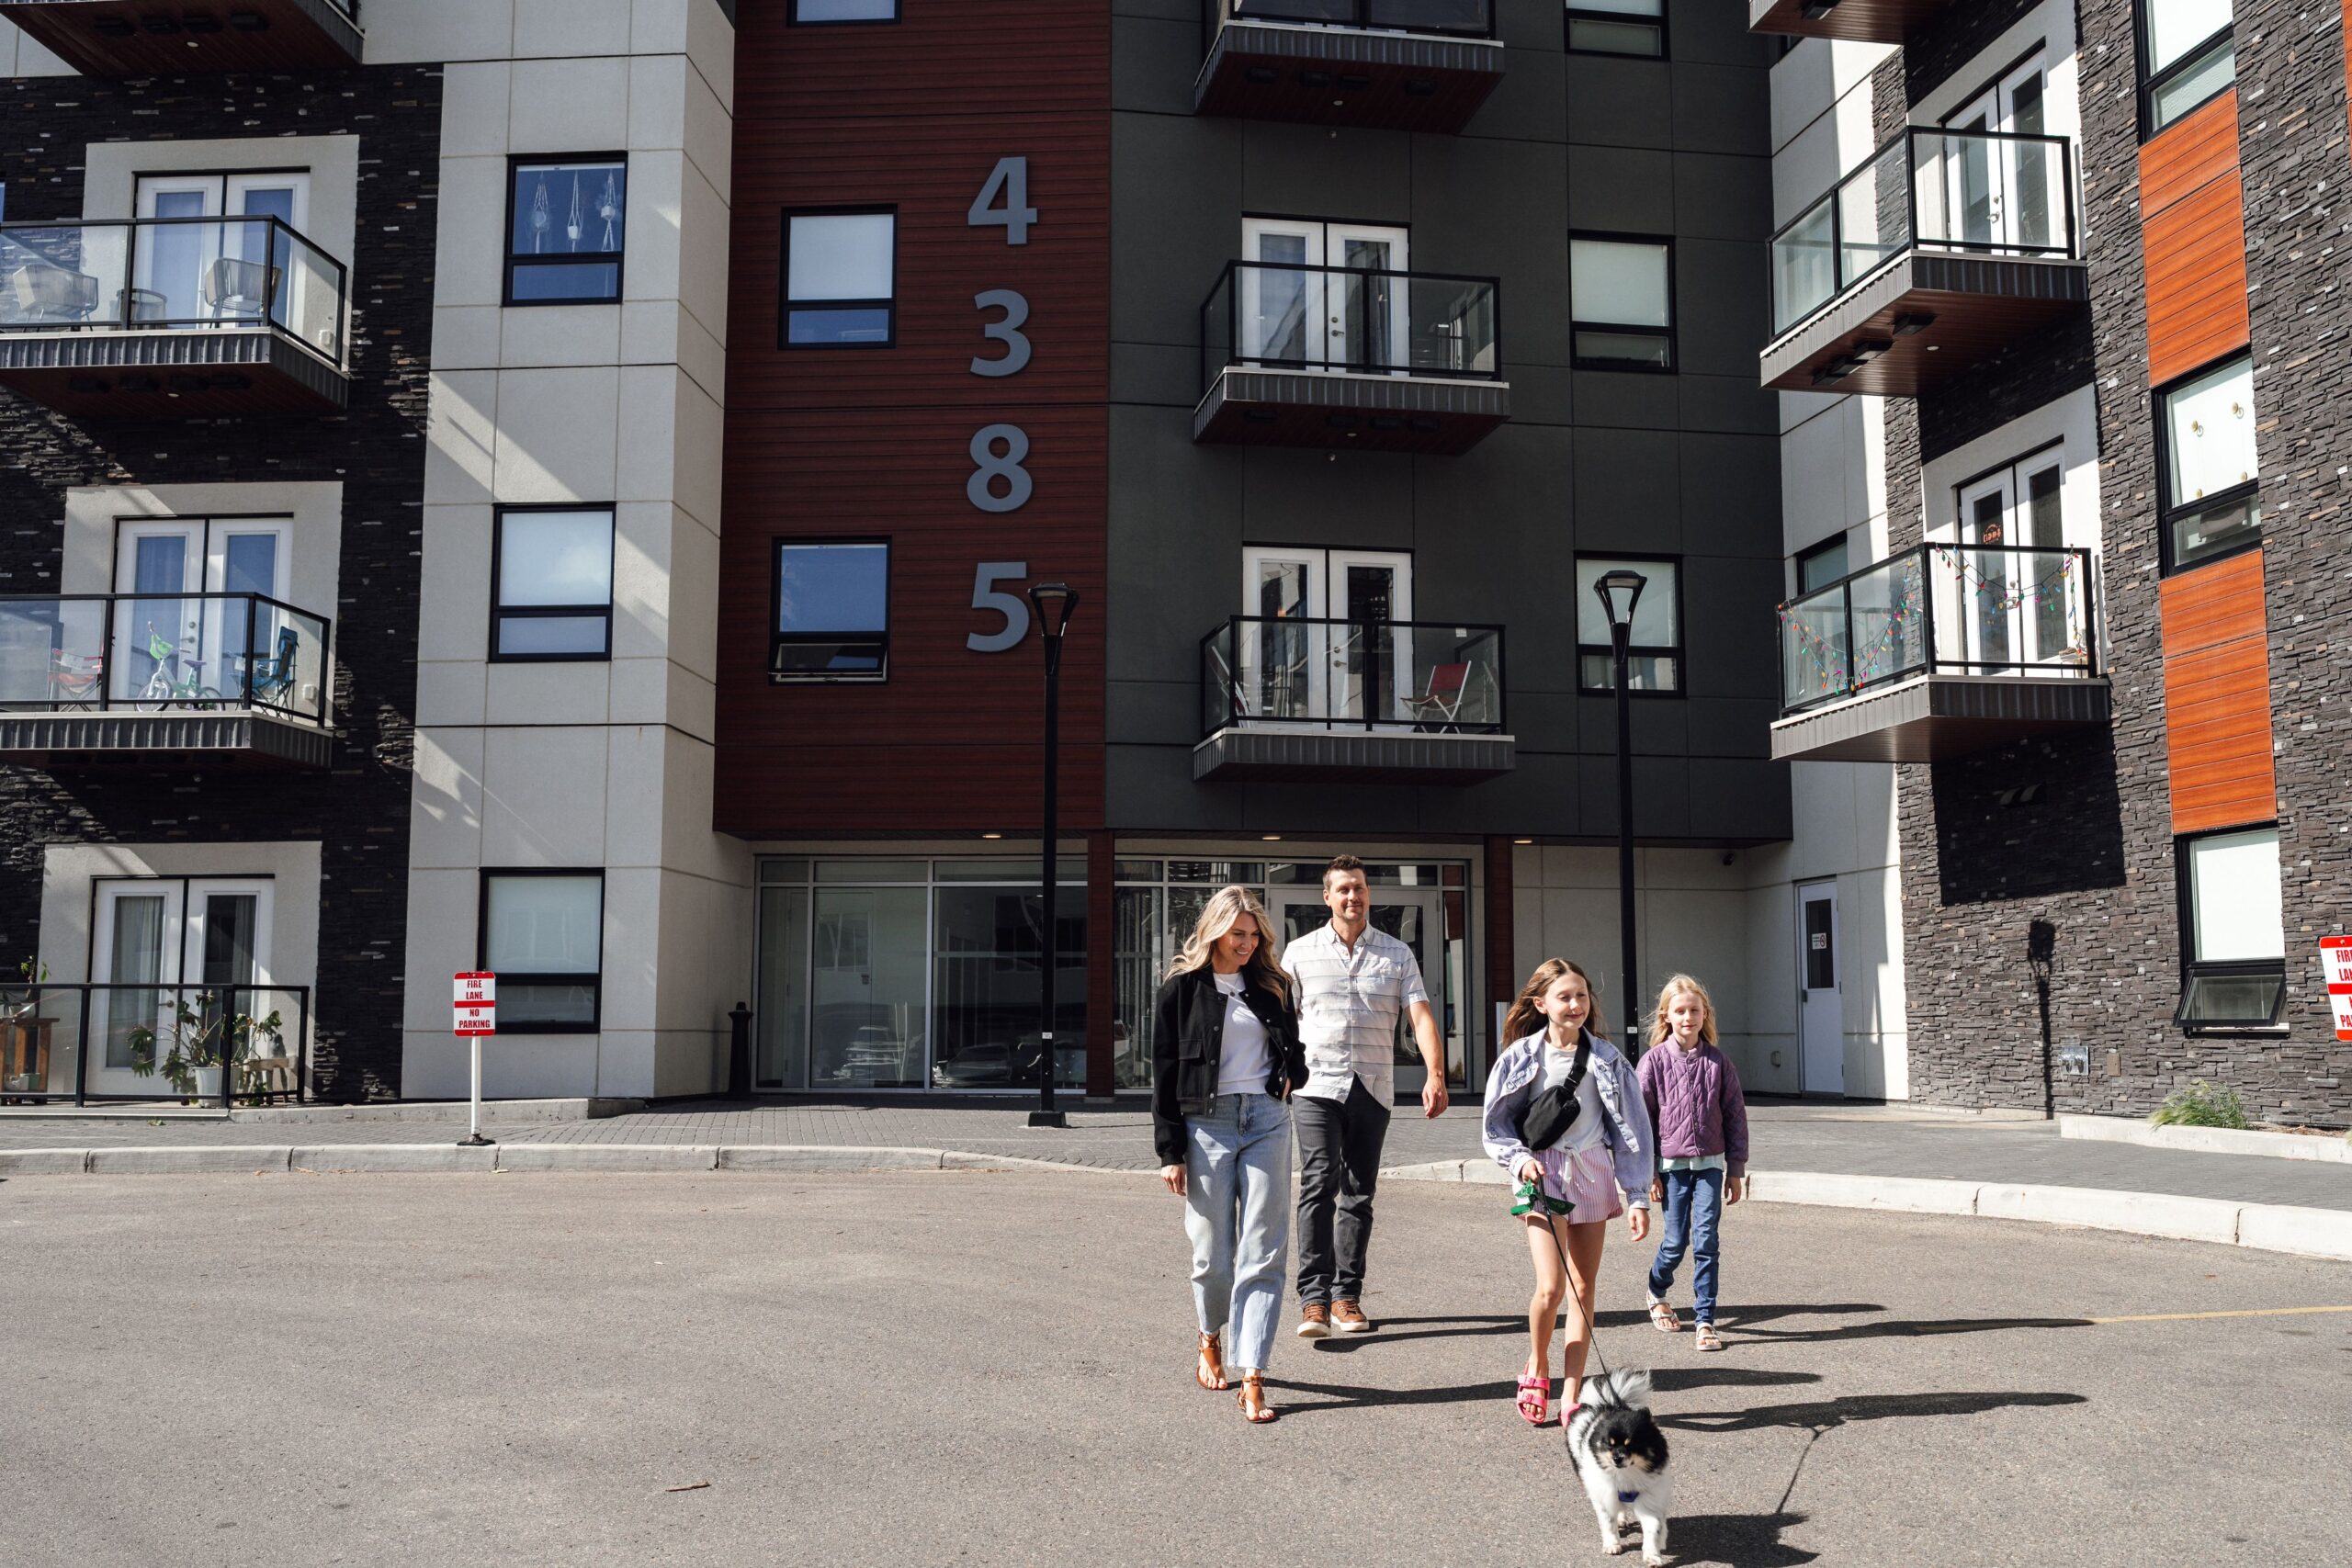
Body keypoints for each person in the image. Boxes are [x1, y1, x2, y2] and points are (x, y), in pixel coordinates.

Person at [1151, 886, 1307, 1424]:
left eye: (1253, 935)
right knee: (1211, 1252)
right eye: (1237, 934)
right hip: (1205, 1126)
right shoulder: (1180, 990)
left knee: (1263, 1250)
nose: (1246, 943)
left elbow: (1295, 1047)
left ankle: (1253, 1373)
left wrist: (1292, 1076)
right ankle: (1209, 1335)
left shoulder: (1273, 985)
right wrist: (1170, 1151)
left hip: (1267, 1121)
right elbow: (1164, 1076)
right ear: (1215, 931)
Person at [1282, 853, 1449, 1338]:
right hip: (1315, 1086)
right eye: (1343, 889)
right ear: (1327, 897)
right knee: (1318, 1183)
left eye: (1359, 887)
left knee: (1359, 1192)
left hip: (1372, 1085)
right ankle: (1313, 1300)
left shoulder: (1397, 954)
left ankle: (1347, 1298)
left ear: (1367, 894)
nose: (1353, 896)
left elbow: (1419, 1016)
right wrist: (1280, 1072)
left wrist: (1435, 1074)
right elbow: (1281, 1020)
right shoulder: (1298, 953)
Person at [1480, 958, 1653, 1426]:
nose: (1575, 1004)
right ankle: (1538, 1366)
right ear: (1541, 1004)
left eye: (1581, 995)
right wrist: (1520, 1160)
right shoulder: (1519, 1058)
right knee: (1552, 1287)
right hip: (1542, 1173)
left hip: (1594, 1171)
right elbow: (1495, 1128)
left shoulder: (1609, 1060)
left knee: (1582, 1288)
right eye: (1564, 996)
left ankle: (1572, 1393)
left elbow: (1633, 1131)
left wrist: (1637, 1195)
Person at [1637, 974, 1748, 1354]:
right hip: (1670, 1167)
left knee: (1706, 1241)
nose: (1688, 1017)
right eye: (1680, 1011)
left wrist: (1735, 1169)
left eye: (1695, 1011)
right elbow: (1641, 1122)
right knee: (1675, 1242)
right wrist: (1647, 1172)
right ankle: (1656, 1289)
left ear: (1705, 1015)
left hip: (1711, 1165)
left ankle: (1705, 1320)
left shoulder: (1719, 1062)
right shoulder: (1653, 1062)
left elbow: (1735, 1115)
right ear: (1666, 1015)